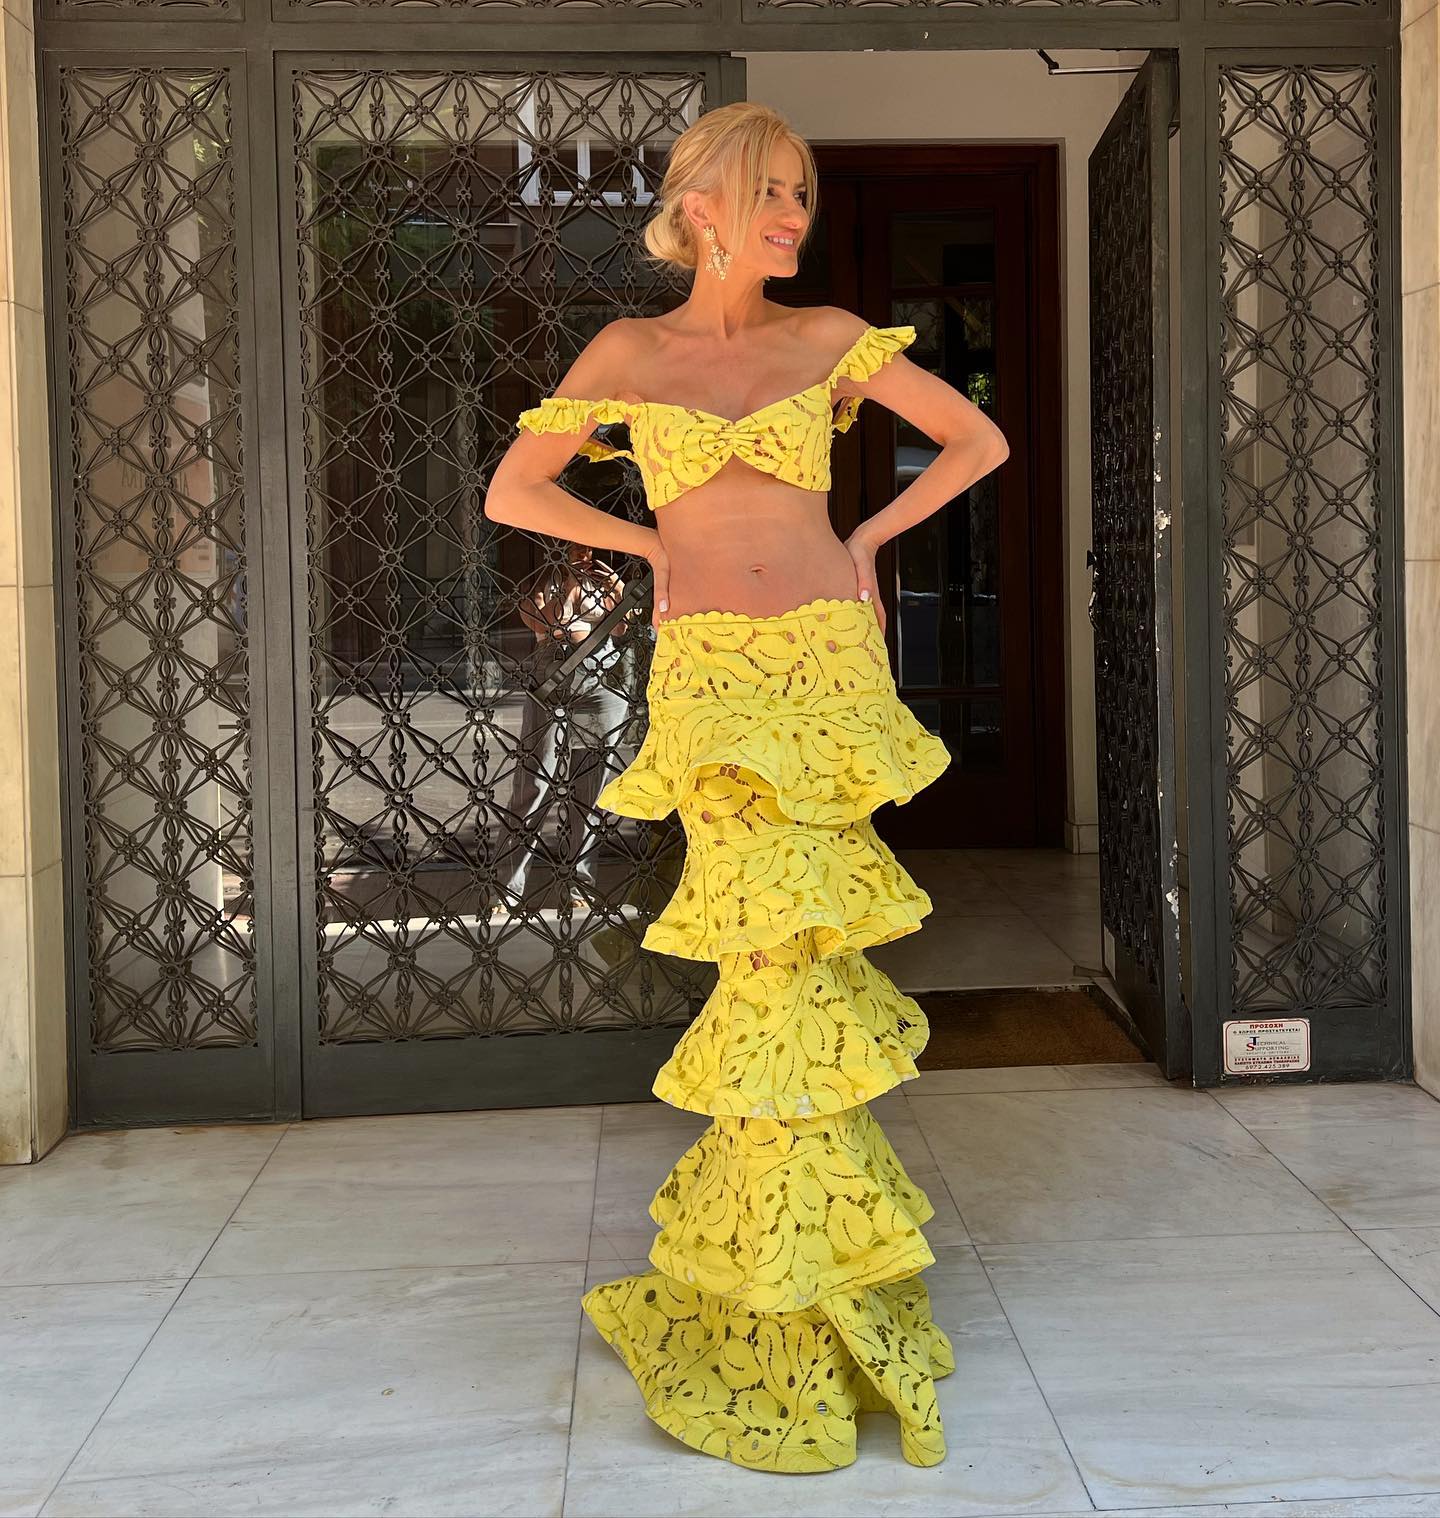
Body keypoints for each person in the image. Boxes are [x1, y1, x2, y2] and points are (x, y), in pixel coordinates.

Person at [485, 100, 1009, 1474]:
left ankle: (817, 1270)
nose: (792, 215)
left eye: (802, 194)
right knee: (763, 963)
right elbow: (517, 491)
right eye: (769, 190)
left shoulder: (829, 336)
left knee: (809, 964)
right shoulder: (628, 352)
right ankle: (781, 1273)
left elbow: (977, 444)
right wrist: (653, 548)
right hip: (712, 674)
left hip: (825, 663)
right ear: (700, 201)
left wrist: (867, 541)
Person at [492, 543, 633, 916]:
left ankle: (579, 887)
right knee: (534, 785)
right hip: (552, 682)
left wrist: (615, 587)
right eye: (574, 547)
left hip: (600, 684)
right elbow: (546, 624)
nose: (583, 554)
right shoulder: (544, 582)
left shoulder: (606, 583)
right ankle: (507, 892)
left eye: (588, 547)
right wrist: (570, 586)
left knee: (590, 789)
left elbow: (624, 627)